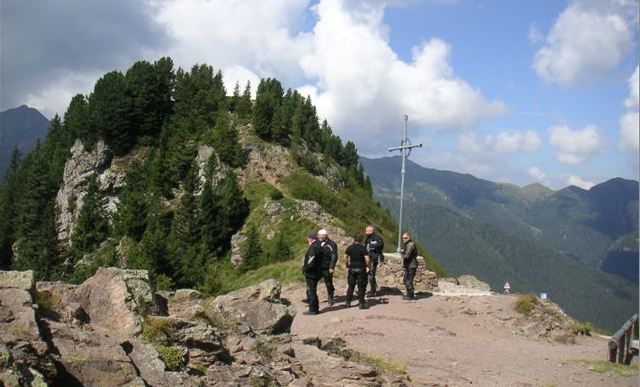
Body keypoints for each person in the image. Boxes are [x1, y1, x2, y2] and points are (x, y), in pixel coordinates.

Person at [344, 233, 371, 309]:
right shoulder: (363, 248)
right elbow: (367, 259)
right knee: (361, 286)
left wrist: (347, 265)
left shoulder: (350, 247)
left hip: (352, 268)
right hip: (361, 269)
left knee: (351, 286)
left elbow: (345, 257)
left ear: (354, 239)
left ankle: (348, 302)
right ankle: (361, 304)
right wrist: (368, 267)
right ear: (361, 240)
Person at [302, 232, 323, 315]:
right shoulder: (319, 245)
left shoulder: (313, 247)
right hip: (317, 271)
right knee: (312, 290)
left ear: (311, 238)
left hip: (312, 272)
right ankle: (315, 307)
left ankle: (312, 309)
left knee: (311, 291)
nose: (307, 239)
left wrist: (306, 269)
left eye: (308, 238)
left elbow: (311, 260)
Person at [318, 229, 338, 305]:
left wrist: (332, 267)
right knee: (312, 282)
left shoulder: (332, 243)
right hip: (318, 266)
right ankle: (311, 298)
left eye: (322, 235)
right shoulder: (317, 243)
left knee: (328, 282)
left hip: (327, 266)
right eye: (319, 235)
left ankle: (330, 296)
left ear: (326, 236)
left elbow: (334, 255)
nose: (320, 237)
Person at [364, 226, 384, 296]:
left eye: (366, 231)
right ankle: (367, 289)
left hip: (374, 258)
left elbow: (381, 244)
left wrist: (372, 245)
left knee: (371, 274)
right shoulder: (367, 238)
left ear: (371, 231)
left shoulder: (377, 238)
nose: (365, 232)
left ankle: (373, 291)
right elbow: (365, 247)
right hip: (368, 258)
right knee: (367, 274)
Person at [400, 232, 418, 300]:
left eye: (405, 238)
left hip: (411, 265)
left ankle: (410, 295)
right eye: (403, 238)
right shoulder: (407, 244)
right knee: (406, 280)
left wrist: (401, 254)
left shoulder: (410, 245)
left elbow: (407, 256)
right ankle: (409, 294)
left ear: (409, 237)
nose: (403, 239)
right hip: (409, 265)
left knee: (409, 280)